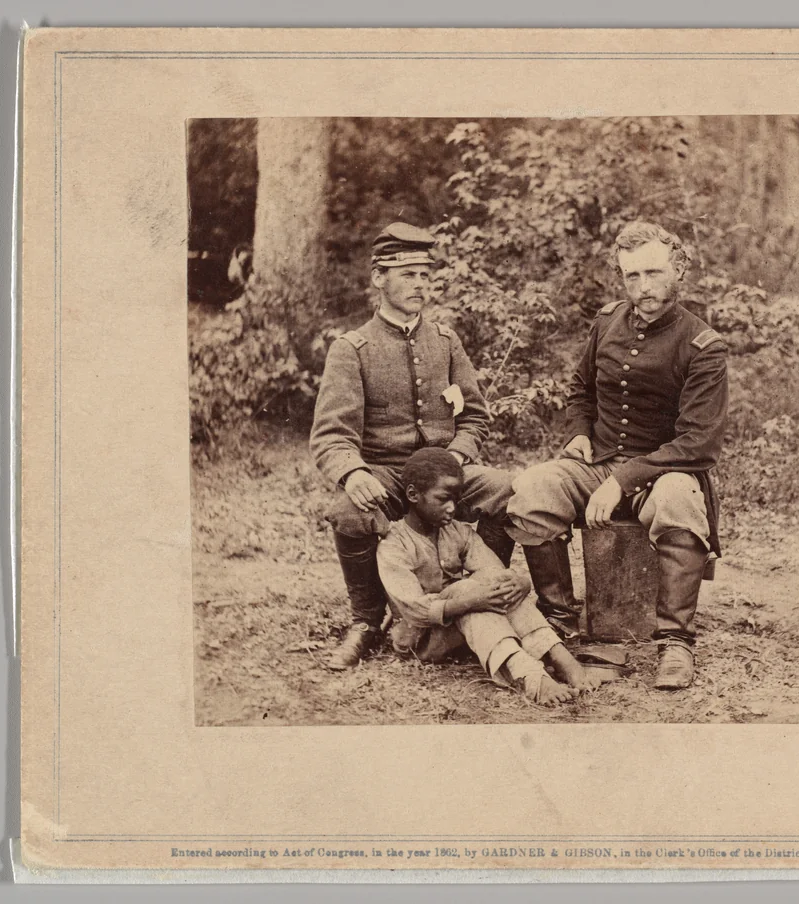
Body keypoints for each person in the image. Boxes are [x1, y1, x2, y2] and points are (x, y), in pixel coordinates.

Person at [507, 221, 728, 690]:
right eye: (631, 276)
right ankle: (559, 624)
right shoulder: (607, 321)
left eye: (653, 273)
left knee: (678, 500)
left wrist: (623, 479)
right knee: (532, 489)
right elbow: (580, 389)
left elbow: (697, 443)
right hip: (598, 462)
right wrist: (579, 432)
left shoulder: (703, 346)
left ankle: (675, 642)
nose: (642, 288)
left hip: (665, 471)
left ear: (680, 269)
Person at [311, 223, 515, 670]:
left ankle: (480, 595)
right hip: (386, 471)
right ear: (379, 278)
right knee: (349, 510)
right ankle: (366, 621)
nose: (419, 285)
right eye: (407, 275)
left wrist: (458, 456)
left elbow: (476, 416)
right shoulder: (353, 349)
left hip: (445, 468)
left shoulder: (445, 341)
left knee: (503, 488)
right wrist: (354, 472)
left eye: (425, 274)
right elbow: (331, 434)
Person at [379, 449, 603, 704]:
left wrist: (519, 582)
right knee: (465, 591)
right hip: (421, 639)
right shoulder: (393, 544)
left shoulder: (458, 532)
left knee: (494, 584)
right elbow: (415, 611)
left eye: (456, 499)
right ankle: (529, 676)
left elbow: (493, 572)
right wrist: (472, 600)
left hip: (464, 630)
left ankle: (561, 659)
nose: (452, 508)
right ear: (412, 495)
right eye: (443, 499)